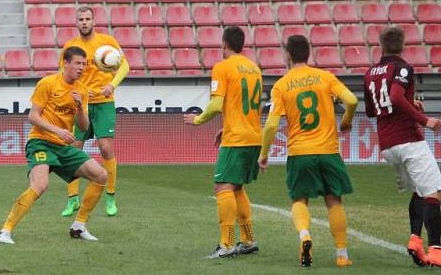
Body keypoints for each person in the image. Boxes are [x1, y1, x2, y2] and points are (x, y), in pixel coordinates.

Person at [258, 35, 358, 267]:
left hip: (300, 152)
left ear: (288, 55)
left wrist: (264, 154)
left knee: (299, 199)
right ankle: (342, 255)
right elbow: (351, 100)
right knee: (334, 202)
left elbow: (272, 124)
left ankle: (305, 235)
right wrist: (346, 120)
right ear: (308, 53)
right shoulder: (325, 77)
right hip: (328, 150)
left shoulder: (282, 85)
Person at [0, 47, 108, 244]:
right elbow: (32, 116)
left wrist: (80, 107)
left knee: (101, 175)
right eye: (78, 63)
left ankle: (79, 226)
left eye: (84, 64)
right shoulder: (48, 83)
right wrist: (57, 131)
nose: (81, 68)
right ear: (66, 63)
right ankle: (5, 231)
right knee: (40, 185)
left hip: (63, 147)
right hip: (41, 142)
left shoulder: (81, 90)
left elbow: (83, 126)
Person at [363, 26, 441, 267]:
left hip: (387, 145)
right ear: (403, 44)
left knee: (419, 190)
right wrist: (425, 120)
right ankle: (437, 250)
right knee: (435, 193)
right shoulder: (403, 68)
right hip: (408, 140)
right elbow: (395, 97)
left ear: (381, 45)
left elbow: (371, 110)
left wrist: (410, 102)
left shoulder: (369, 73)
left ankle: (416, 240)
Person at [183, 26, 262, 258]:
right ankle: (247, 240)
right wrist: (225, 127)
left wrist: (197, 120)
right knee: (236, 186)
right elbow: (245, 105)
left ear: (224, 44)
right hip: (252, 135)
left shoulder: (223, 67)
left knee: (222, 186)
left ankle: (226, 244)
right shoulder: (254, 68)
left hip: (237, 138)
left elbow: (217, 105)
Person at [59, 6, 129, 217]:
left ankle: (110, 197)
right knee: (73, 148)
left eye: (88, 18)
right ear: (76, 22)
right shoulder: (70, 47)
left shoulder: (107, 43)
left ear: (94, 21)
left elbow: (125, 66)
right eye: (81, 19)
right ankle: (72, 200)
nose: (84, 22)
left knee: (106, 148)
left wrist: (112, 85)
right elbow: (62, 74)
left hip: (104, 102)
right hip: (81, 104)